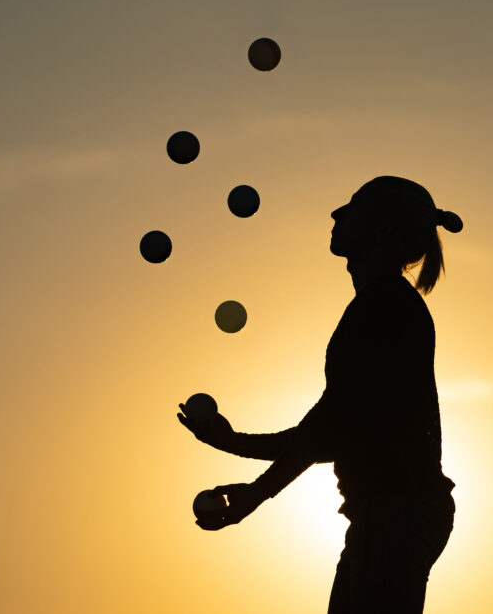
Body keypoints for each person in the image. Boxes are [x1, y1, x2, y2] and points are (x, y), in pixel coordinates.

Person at [177, 176, 463, 614]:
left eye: (352, 207)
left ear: (383, 229)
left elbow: (327, 428)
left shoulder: (384, 305)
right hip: (389, 514)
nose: (335, 214)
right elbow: (335, 431)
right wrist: (232, 444)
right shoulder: (383, 304)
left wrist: (256, 489)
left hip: (395, 514)